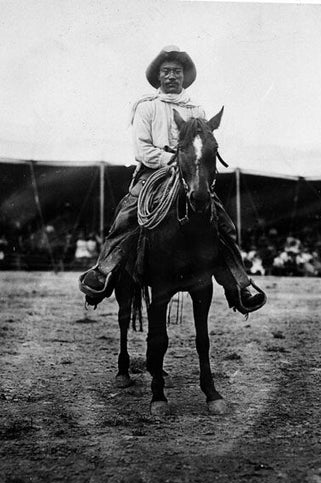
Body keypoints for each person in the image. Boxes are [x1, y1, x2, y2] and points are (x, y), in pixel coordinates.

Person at [79, 45, 266, 314]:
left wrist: (191, 166)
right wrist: (171, 160)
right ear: (158, 76)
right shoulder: (146, 108)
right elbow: (141, 149)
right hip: (152, 174)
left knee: (224, 224)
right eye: (166, 71)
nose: (171, 76)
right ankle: (103, 273)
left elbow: (203, 146)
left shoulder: (196, 110)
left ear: (183, 76)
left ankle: (239, 285)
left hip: (189, 176)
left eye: (176, 72)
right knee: (126, 216)